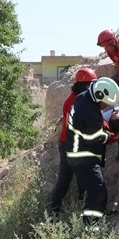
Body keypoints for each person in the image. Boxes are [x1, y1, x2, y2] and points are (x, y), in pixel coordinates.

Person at [65, 76, 119, 226]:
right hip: (84, 157)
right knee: (97, 192)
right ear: (99, 95)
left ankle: (97, 216)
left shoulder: (82, 98)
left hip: (77, 154)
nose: (106, 106)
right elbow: (94, 137)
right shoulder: (91, 110)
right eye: (106, 103)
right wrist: (111, 135)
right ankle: (90, 228)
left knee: (87, 191)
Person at [48, 67, 97, 215]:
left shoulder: (81, 98)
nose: (92, 88)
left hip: (76, 144)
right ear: (83, 85)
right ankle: (53, 212)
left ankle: (82, 210)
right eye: (90, 84)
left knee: (82, 180)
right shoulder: (73, 101)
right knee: (65, 179)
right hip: (70, 144)